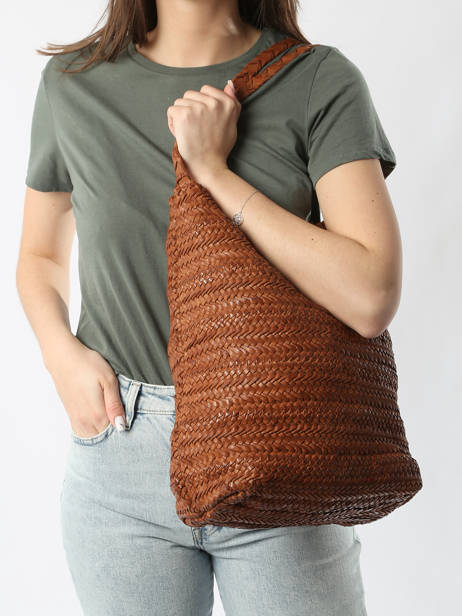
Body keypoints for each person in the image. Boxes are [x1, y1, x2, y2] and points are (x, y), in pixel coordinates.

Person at [17, 0, 401, 614]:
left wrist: (214, 172)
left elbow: (370, 295)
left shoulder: (316, 79)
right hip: (120, 450)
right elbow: (40, 256)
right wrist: (59, 354)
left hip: (278, 445)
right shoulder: (73, 85)